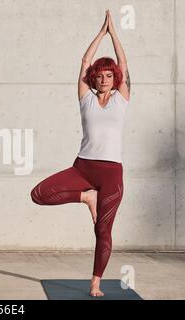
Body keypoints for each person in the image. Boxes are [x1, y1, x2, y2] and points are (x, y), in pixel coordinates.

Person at [30, 9, 131, 297]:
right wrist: (100, 33)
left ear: (116, 78)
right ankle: (87, 197)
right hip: (83, 168)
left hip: (112, 173)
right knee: (39, 194)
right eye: (100, 76)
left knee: (103, 231)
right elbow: (85, 61)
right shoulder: (85, 97)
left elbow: (123, 61)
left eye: (109, 75)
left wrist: (114, 34)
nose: (104, 80)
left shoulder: (121, 99)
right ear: (94, 78)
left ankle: (96, 281)